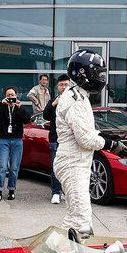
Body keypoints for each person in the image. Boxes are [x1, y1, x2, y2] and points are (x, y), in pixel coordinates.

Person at [53, 50, 127, 235]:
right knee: (81, 219)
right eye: (98, 73)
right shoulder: (76, 100)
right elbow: (85, 139)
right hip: (72, 163)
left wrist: (108, 137)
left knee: (77, 216)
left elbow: (85, 131)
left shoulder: (78, 95)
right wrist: (112, 146)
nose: (101, 77)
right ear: (83, 74)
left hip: (75, 161)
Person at [0, 87, 31, 201]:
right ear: (5, 97)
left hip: (17, 140)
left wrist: (20, 108)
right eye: (8, 95)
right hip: (4, 140)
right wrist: (1, 104)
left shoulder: (19, 107)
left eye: (12, 95)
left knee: (14, 167)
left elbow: (28, 120)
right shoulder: (2, 107)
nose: (11, 97)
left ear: (16, 95)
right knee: (1, 167)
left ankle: (12, 190)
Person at [43, 74, 69, 204]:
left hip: (69, 140)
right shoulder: (53, 101)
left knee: (67, 168)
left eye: (66, 85)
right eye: (61, 85)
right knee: (55, 167)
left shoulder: (74, 102)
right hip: (55, 139)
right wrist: (53, 103)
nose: (63, 87)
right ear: (57, 86)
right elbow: (45, 115)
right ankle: (55, 192)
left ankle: (65, 191)